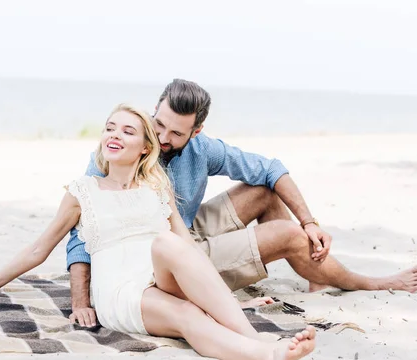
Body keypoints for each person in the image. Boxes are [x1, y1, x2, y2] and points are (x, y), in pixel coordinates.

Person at [0, 103, 316, 360]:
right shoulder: (83, 191)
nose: (114, 135)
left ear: (145, 147)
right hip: (120, 291)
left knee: (171, 243)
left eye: (127, 131)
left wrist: (222, 303)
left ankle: (246, 330)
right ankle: (270, 355)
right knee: (187, 315)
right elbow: (38, 248)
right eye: (110, 128)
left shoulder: (157, 186)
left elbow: (187, 253)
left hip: (160, 276)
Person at [67, 79, 417, 328]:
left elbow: (271, 169)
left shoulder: (202, 149)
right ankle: (370, 281)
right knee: (289, 236)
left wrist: (310, 221)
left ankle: (315, 274)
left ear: (197, 131)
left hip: (184, 228)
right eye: (159, 125)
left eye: (176, 133)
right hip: (159, 259)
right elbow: (83, 231)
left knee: (266, 190)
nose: (162, 138)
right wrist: (81, 301)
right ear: (154, 110)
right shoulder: (120, 148)